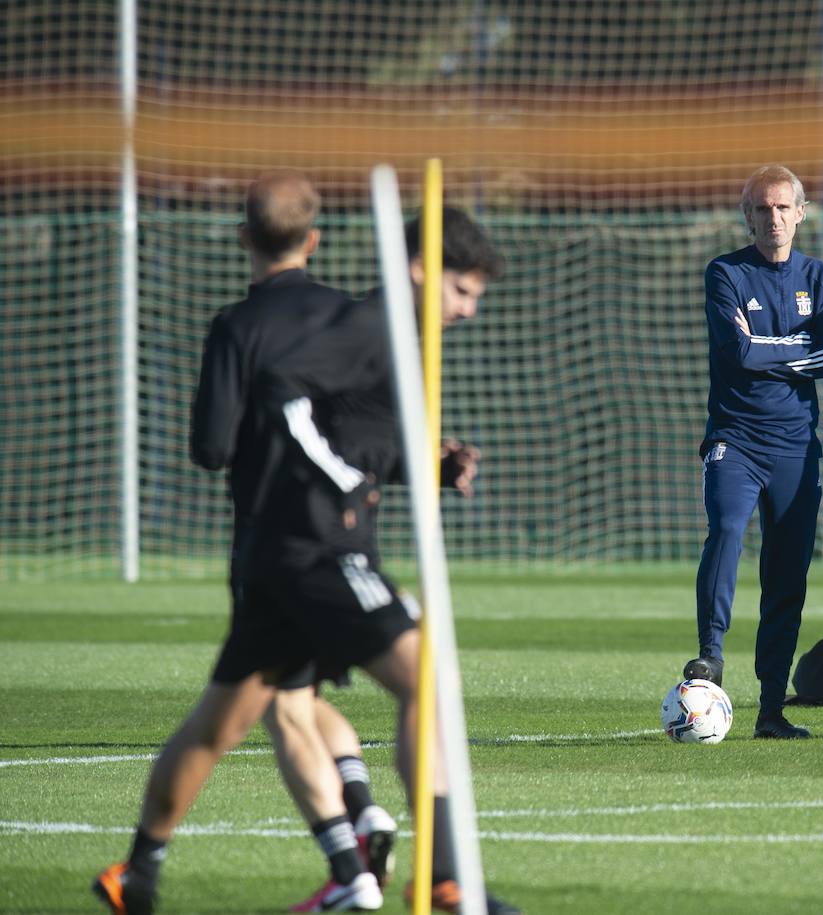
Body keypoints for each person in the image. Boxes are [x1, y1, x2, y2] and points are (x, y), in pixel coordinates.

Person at [94, 170, 389, 915]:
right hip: (351, 537)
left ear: (242, 238)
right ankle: (363, 815)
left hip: (271, 545)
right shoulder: (354, 317)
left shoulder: (236, 327)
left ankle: (148, 871)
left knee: (247, 714)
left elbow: (211, 447)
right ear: (314, 239)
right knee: (300, 693)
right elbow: (378, 429)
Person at [255, 205, 518, 915]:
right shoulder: (372, 329)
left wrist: (427, 464)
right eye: (462, 292)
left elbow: (361, 436)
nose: (468, 310)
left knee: (279, 708)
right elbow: (283, 394)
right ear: (419, 270)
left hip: (319, 547)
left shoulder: (412, 342)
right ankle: (441, 875)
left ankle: (349, 866)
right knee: (424, 680)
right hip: (318, 549)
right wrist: (338, 480)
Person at [682, 164, 823, 739]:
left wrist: (767, 351)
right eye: (761, 209)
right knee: (726, 529)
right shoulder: (725, 272)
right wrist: (796, 350)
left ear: (800, 213)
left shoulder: (817, 276)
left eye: (782, 208)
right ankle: (710, 657)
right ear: (747, 216)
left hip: (796, 450)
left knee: (788, 574)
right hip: (737, 438)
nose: (772, 218)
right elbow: (736, 353)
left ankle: (771, 709)